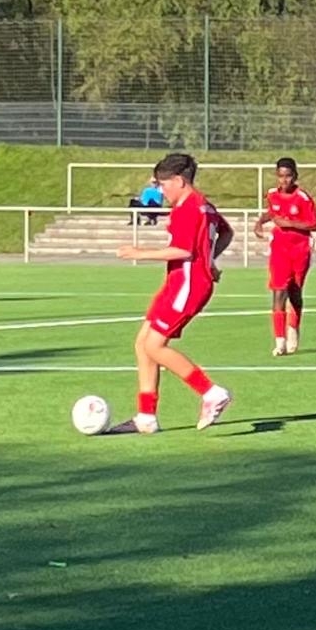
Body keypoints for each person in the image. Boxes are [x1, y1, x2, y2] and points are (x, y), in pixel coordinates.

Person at [109, 152, 234, 434]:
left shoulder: (188, 208)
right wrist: (210, 260)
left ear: (179, 180)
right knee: (142, 343)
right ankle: (146, 417)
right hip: (179, 282)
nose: (161, 191)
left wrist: (140, 252)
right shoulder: (204, 205)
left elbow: (183, 250)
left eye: (163, 185)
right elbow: (226, 233)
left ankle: (211, 392)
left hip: (188, 285)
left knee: (154, 346)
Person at [254, 157, 316, 355]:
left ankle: (293, 330)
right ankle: (280, 342)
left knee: (295, 293)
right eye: (281, 176)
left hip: (299, 250)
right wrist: (260, 222)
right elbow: (272, 213)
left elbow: (313, 224)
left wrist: (289, 224)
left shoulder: (303, 198)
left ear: (295, 176)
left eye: (288, 176)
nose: (284, 180)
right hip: (279, 250)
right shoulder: (272, 195)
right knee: (278, 291)